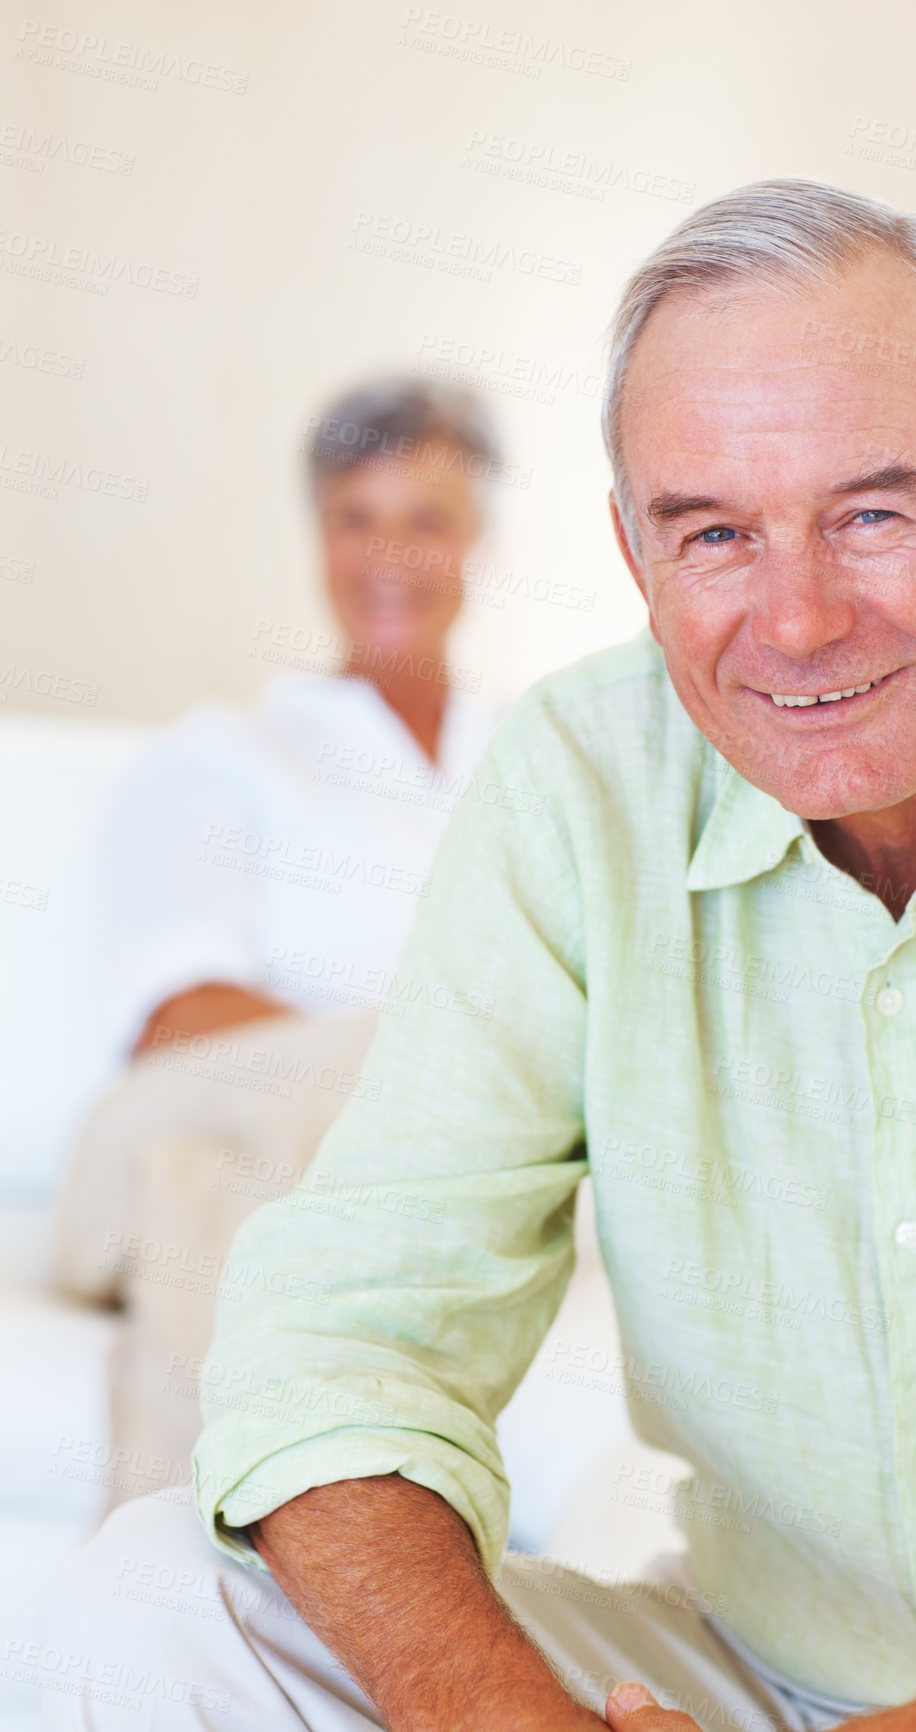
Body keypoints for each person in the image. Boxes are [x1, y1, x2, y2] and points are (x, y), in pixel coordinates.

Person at [38, 179, 916, 1731]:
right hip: (766, 1679)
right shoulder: (573, 777)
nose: (798, 618)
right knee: (144, 1610)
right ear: (632, 558)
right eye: (714, 534)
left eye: (873, 512)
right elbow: (347, 1332)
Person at [47, 378, 505, 1508]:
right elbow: (181, 1020)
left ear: (476, 539)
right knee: (232, 1178)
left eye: (426, 518)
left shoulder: (528, 760)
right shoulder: (228, 755)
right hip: (195, 1144)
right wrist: (428, 1069)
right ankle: (166, 1565)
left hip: (433, 1185)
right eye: (357, 517)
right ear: (318, 537)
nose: (389, 552)